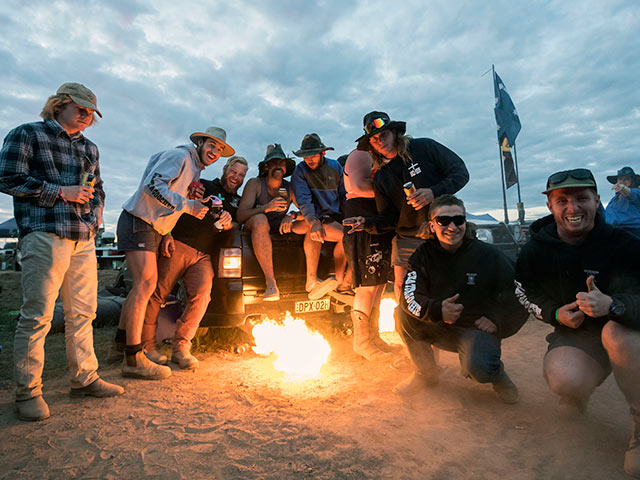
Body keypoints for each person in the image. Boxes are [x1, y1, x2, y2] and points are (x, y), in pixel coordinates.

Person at [0, 82, 124, 421]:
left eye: (90, 112)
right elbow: (8, 178)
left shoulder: (90, 148)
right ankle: (28, 391)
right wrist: (59, 191)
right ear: (59, 105)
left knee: (83, 312)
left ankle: (84, 378)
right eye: (80, 109)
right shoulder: (27, 134)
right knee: (38, 314)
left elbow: (97, 187)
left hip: (83, 238)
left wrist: (97, 211)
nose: (86, 116)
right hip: (43, 232)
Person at [514, 168, 640, 477]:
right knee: (565, 379)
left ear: (597, 201)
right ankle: (576, 396)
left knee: (617, 333)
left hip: (628, 331)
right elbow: (523, 291)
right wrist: (554, 313)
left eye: (582, 198)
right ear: (550, 206)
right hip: (578, 336)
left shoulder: (624, 244)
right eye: (562, 200)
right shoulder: (536, 250)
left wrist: (615, 304)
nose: (573, 208)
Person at [116, 126, 235, 379]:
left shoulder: (194, 169)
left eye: (219, 149)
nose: (214, 151)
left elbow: (165, 199)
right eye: (211, 145)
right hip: (139, 221)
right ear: (200, 143)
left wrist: (169, 228)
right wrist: (187, 205)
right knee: (147, 286)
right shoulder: (180, 156)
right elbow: (153, 187)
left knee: (146, 287)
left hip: (156, 228)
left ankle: (127, 349)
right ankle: (136, 354)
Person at [395, 195, 526, 403]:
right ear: (431, 225)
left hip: (474, 329)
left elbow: (521, 291)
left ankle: (497, 376)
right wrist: (437, 310)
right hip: (439, 325)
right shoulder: (422, 255)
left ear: (465, 221)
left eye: (459, 220)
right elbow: (408, 296)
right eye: (443, 221)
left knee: (480, 370)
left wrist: (498, 320)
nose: (452, 226)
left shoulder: (489, 256)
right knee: (402, 313)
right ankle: (426, 374)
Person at [140, 156, 248, 370]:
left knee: (202, 296)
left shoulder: (238, 202)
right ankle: (146, 347)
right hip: (180, 243)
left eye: (241, 175)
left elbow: (235, 224)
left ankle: (181, 348)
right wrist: (168, 233)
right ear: (226, 169)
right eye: (233, 172)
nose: (236, 177)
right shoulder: (205, 185)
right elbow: (177, 202)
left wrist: (229, 224)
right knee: (157, 293)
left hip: (204, 254)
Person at [352, 111, 469, 301]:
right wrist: (366, 222)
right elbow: (389, 217)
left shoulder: (423, 147)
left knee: (445, 284)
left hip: (444, 231)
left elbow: (461, 173)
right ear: (371, 145)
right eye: (374, 139)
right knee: (403, 287)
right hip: (407, 237)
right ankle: (408, 328)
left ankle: (447, 326)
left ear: (395, 133)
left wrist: (434, 192)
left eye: (384, 135)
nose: (380, 141)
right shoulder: (381, 177)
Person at [342, 149, 399, 360]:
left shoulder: (381, 158)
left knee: (378, 284)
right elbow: (359, 186)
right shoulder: (359, 155)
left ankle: (374, 338)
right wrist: (395, 193)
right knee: (367, 285)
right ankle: (362, 343)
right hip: (360, 219)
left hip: (379, 221)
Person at [236, 144, 300, 301]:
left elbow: (306, 211)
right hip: (256, 226)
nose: (278, 166)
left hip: (279, 229)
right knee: (260, 219)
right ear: (267, 166)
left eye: (282, 163)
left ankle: (313, 279)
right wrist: (266, 208)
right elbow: (241, 216)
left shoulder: (289, 187)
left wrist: (292, 215)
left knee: (306, 224)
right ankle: (271, 283)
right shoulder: (255, 184)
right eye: (274, 162)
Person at [290, 133, 350, 298]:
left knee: (352, 233)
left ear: (323, 153)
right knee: (326, 231)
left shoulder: (335, 166)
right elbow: (304, 200)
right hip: (314, 216)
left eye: (313, 155)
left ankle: (339, 281)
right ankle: (319, 280)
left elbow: (344, 194)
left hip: (333, 216)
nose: (309, 159)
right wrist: (313, 220)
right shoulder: (300, 171)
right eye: (305, 156)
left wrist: (349, 216)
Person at [604, 166, 640, 238]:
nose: (623, 181)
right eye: (620, 179)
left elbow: (630, 194)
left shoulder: (637, 193)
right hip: (614, 231)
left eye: (627, 179)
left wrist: (622, 188)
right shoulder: (613, 200)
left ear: (632, 181)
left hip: (632, 232)